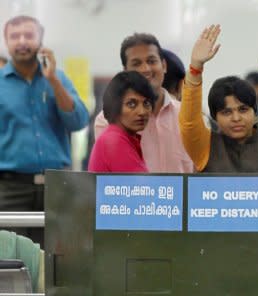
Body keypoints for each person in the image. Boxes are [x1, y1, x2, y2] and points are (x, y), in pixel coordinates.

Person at [0, 15, 89, 244]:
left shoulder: (58, 78)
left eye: (29, 35)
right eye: (14, 36)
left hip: (57, 186)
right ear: (6, 41)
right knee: (13, 259)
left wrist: (53, 82)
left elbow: (78, 121)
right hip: (10, 188)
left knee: (57, 259)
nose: (22, 41)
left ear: (40, 39)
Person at [179, 25, 258, 173]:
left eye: (243, 109)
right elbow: (189, 123)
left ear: (254, 111)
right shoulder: (206, 146)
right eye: (226, 112)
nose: (236, 118)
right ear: (215, 117)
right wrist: (195, 68)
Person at [94, 33, 194, 173]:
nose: (145, 69)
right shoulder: (108, 120)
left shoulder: (189, 116)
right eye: (136, 63)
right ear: (125, 71)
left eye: (151, 61)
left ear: (164, 65)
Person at [89, 71, 157, 172]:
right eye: (131, 104)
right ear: (115, 106)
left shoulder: (124, 138)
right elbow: (142, 187)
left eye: (146, 103)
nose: (142, 112)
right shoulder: (114, 141)